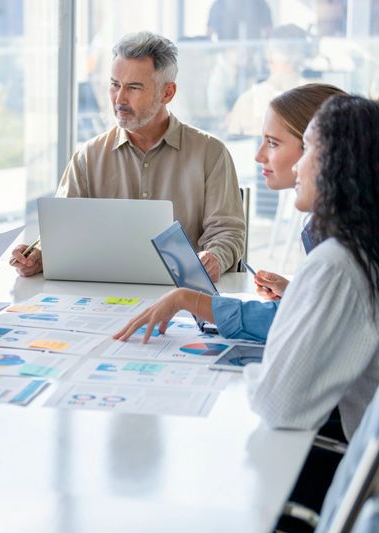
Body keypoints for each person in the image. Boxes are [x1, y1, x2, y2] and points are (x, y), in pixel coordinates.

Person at [116, 94, 379, 442]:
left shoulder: (337, 263)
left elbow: (278, 403)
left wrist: (249, 374)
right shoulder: (360, 249)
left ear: (339, 162)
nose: (298, 165)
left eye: (309, 149)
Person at [11, 31, 246, 282]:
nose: (119, 99)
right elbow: (62, 235)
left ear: (167, 93)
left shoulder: (210, 154)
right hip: (102, 296)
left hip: (180, 295)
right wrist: (38, 255)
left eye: (133, 87)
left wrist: (214, 258)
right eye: (114, 85)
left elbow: (227, 233)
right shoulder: (87, 157)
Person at [176, 84, 345, 343]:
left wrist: (192, 302)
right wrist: (296, 293)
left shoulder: (341, 241)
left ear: (319, 150)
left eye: (273, 143)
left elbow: (308, 324)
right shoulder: (321, 222)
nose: (258, 156)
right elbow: (336, 312)